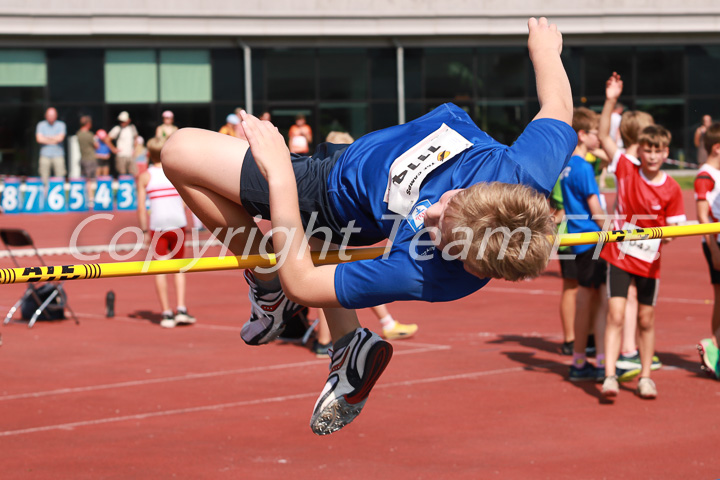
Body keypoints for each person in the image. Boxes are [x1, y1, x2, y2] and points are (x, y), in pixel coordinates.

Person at [162, 17, 575, 435]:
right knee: (308, 232)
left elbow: (303, 284)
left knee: (179, 151)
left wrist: (279, 174)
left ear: (470, 265)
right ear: (488, 189)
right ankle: (349, 343)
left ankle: (268, 281)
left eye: (436, 234)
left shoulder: (429, 271)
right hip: (349, 161)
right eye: (447, 203)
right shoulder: (525, 170)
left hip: (325, 192)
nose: (428, 215)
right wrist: (545, 52)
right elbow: (558, 104)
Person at [598, 73, 686, 400]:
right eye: (647, 150)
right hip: (619, 254)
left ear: (666, 153)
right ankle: (609, 375)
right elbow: (606, 135)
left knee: (646, 319)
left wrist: (666, 236)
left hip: (649, 260)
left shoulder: (672, 188)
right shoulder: (625, 167)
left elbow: (676, 230)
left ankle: (646, 377)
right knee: (617, 313)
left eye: (658, 151)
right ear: (640, 150)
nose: (651, 156)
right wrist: (610, 99)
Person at [560, 107, 610, 382]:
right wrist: (615, 235)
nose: (598, 138)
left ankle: (582, 358)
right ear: (582, 135)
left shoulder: (567, 165)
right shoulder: (582, 167)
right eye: (594, 133)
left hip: (581, 241)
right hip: (592, 240)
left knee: (586, 299)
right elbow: (596, 210)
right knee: (600, 301)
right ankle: (597, 360)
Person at [137, 137, 196, 329]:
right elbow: (187, 197)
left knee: (161, 268)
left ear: (148, 154)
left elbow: (140, 207)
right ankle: (181, 308)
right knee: (179, 268)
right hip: (177, 223)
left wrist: (145, 230)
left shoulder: (145, 176)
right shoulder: (175, 172)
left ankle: (166, 313)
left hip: (158, 226)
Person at [694, 122, 720, 379]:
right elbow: (703, 217)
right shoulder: (705, 176)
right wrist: (713, 249)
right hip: (716, 243)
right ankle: (713, 345)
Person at [549, 178, 578, 355]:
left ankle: (586, 336)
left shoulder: (584, 164)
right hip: (571, 238)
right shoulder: (566, 173)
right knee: (572, 287)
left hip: (585, 237)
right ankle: (570, 339)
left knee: (588, 290)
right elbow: (561, 210)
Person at [36, 107, 67, 184]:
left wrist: (46, 138)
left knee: (60, 177)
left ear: (56, 115)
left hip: (58, 155)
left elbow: (60, 139)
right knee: (44, 178)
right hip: (45, 155)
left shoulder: (61, 125)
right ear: (46, 115)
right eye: (49, 115)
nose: (51, 117)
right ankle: (45, 195)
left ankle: (59, 195)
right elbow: (39, 139)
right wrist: (54, 138)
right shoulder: (41, 125)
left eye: (53, 115)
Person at [106, 111, 139, 176]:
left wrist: (134, 149)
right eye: (121, 121)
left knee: (134, 173)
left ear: (128, 120)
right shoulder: (117, 129)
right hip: (121, 155)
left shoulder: (132, 128)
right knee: (122, 174)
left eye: (123, 121)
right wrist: (113, 149)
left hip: (130, 155)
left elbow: (136, 139)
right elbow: (107, 139)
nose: (122, 123)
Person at [76, 115, 97, 201]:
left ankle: (85, 197)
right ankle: (91, 198)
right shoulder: (90, 135)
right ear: (88, 124)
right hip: (91, 159)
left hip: (83, 159)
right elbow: (96, 146)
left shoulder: (78, 134)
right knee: (91, 180)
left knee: (85, 179)